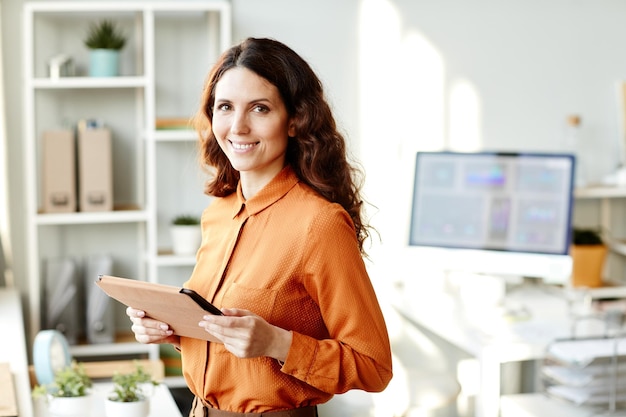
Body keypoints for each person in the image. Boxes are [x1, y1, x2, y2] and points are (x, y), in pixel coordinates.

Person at [126, 37, 393, 416]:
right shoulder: (218, 213)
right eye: (225, 107)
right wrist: (171, 329)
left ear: (295, 120)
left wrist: (278, 343)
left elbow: (374, 366)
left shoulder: (319, 225)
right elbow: (228, 340)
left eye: (260, 109)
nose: (238, 126)